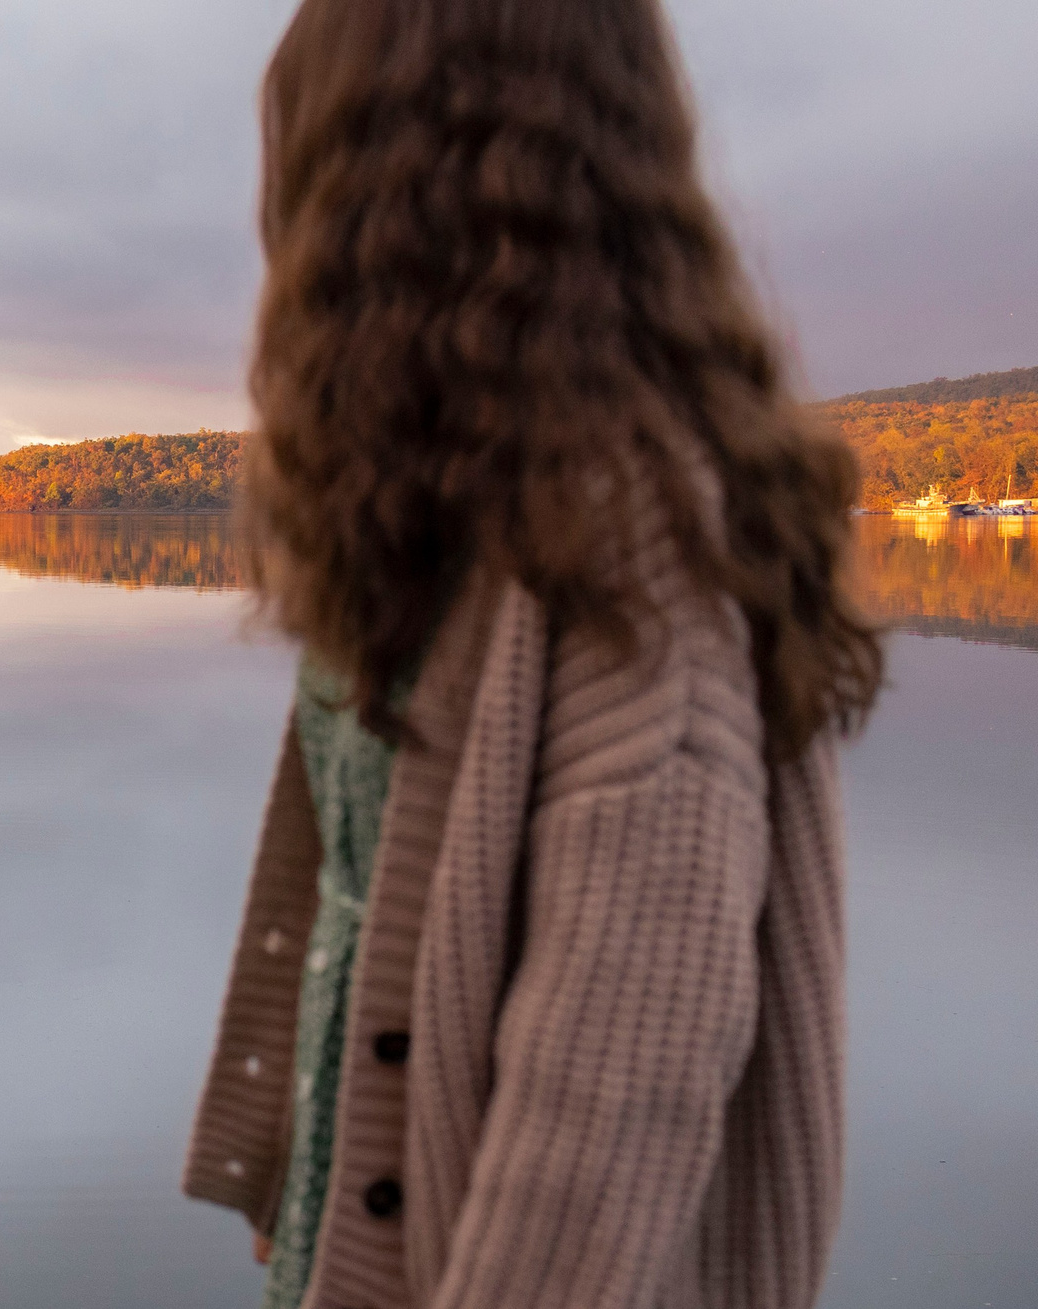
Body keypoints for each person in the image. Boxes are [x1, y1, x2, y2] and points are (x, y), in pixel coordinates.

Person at [180, 2, 884, 1307]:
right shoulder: (448, 515)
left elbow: (611, 1122)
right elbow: (356, 884)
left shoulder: (636, 573)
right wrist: (292, 1159)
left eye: (300, 164)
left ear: (388, 189)